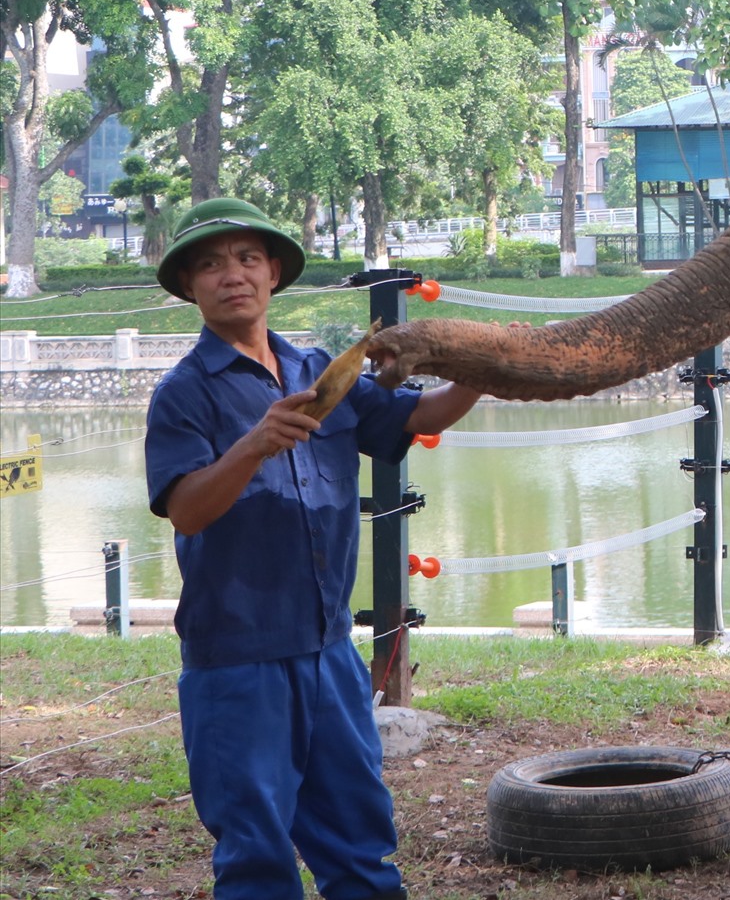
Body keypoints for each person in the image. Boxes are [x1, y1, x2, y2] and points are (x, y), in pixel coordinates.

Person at [144, 198, 487, 900]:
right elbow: (186, 512)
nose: (231, 275)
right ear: (189, 287)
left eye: (246, 259)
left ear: (273, 272)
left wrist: (484, 363)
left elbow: (419, 415)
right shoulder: (183, 395)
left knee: (362, 848)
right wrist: (252, 444)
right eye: (209, 265)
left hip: (329, 651)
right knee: (256, 858)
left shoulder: (320, 369)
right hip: (238, 662)